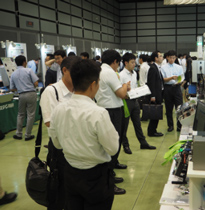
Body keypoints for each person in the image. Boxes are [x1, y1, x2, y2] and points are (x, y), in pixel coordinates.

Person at [49, 59, 118, 210]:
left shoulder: (58, 110)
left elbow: (57, 144)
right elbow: (112, 148)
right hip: (96, 178)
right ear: (93, 84)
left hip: (70, 173)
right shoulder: (98, 113)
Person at [40, 56, 81, 210]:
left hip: (79, 148)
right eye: (76, 73)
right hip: (60, 150)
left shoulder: (79, 90)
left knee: (74, 193)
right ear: (64, 70)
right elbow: (50, 122)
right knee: (60, 192)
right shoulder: (52, 92)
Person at [95, 49, 131, 195]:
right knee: (112, 142)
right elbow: (122, 94)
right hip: (112, 110)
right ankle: (108, 180)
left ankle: (113, 166)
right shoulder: (109, 72)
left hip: (106, 108)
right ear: (115, 61)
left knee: (112, 140)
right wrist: (125, 86)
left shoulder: (100, 70)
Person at [119, 53, 156, 154]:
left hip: (135, 101)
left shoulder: (135, 73)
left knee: (138, 124)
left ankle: (143, 143)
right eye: (132, 62)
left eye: (134, 62)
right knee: (124, 126)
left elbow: (135, 87)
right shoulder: (121, 75)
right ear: (125, 63)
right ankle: (125, 145)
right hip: (126, 102)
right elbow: (120, 91)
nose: (134, 64)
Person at [10, 55, 38, 141]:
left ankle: (18, 134)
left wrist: (20, 87)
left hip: (21, 95)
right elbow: (36, 83)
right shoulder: (29, 70)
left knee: (20, 114)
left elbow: (12, 88)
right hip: (31, 93)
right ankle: (27, 135)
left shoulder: (13, 73)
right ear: (24, 62)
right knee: (30, 114)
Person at [161, 50, 184, 132]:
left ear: (175, 58)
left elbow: (182, 78)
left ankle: (179, 125)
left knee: (179, 108)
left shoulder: (179, 67)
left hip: (177, 88)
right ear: (167, 57)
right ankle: (170, 125)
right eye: (170, 58)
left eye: (173, 58)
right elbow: (163, 79)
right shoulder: (163, 68)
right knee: (168, 108)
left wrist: (180, 81)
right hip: (168, 89)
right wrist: (171, 78)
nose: (172, 59)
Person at [146, 51, 164, 137]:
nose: (162, 57)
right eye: (160, 56)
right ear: (156, 58)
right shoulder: (153, 68)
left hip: (158, 94)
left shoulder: (157, 67)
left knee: (156, 113)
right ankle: (151, 131)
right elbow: (151, 83)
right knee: (154, 113)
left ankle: (153, 130)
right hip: (155, 95)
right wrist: (152, 96)